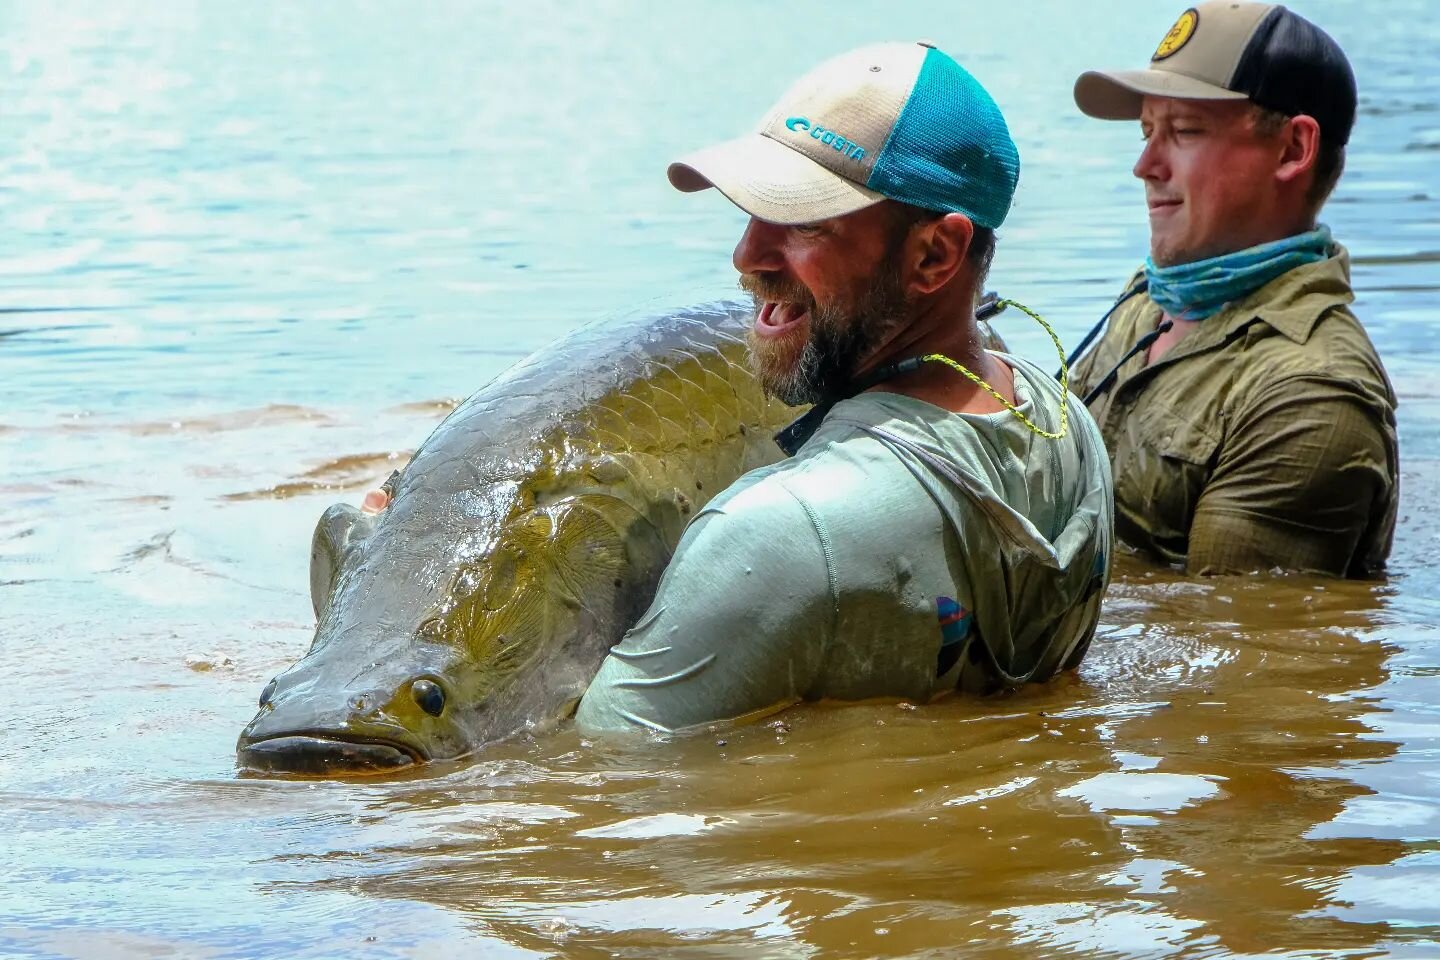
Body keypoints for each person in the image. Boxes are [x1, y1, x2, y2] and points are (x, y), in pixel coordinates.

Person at [573, 42, 1114, 735]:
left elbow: (597, 774)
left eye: (802, 224)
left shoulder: (777, 534)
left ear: (934, 255)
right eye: (752, 211)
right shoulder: (1069, 425)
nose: (746, 256)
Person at [1070, 1, 1398, 577]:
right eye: (1147, 132)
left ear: (1294, 149)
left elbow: (1226, 640)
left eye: (1184, 131)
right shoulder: (1151, 298)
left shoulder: (1309, 393)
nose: (1145, 165)